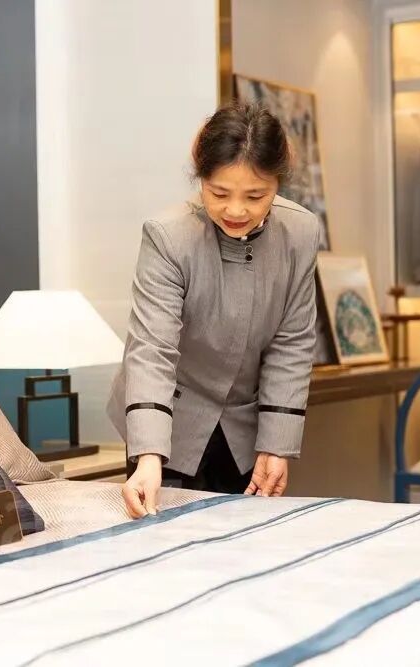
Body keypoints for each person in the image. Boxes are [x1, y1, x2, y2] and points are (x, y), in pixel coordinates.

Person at [106, 102, 320, 519]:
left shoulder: (300, 232)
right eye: (219, 193)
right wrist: (148, 456)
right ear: (200, 177)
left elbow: (292, 343)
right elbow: (152, 351)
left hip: (243, 424)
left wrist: (277, 444)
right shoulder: (169, 237)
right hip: (170, 416)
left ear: (278, 183)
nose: (236, 210)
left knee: (246, 539)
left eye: (256, 196)